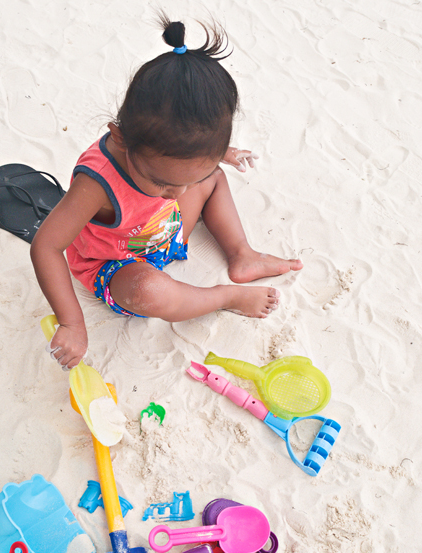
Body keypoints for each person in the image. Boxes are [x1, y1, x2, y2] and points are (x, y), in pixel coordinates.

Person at [30, 14, 303, 370]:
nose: (178, 193)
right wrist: (72, 322)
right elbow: (46, 246)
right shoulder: (96, 183)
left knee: (213, 178)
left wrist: (217, 158)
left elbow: (187, 165)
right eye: (163, 182)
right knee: (149, 292)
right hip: (117, 264)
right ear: (121, 138)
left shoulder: (172, 167)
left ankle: (242, 254)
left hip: (163, 231)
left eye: (186, 178)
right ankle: (225, 296)